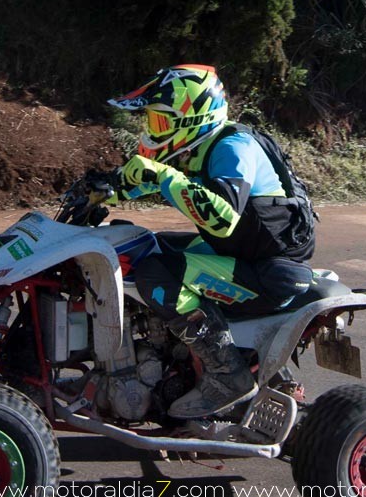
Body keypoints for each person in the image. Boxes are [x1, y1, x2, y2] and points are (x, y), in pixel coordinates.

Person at [106, 64, 316, 418]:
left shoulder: (234, 147)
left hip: (270, 270)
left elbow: (221, 217)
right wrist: (104, 190)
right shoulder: (197, 147)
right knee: (151, 246)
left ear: (192, 117)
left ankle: (226, 373)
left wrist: (162, 176)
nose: (152, 130)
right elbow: (145, 178)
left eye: (159, 121)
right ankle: (166, 357)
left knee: (157, 273)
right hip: (240, 253)